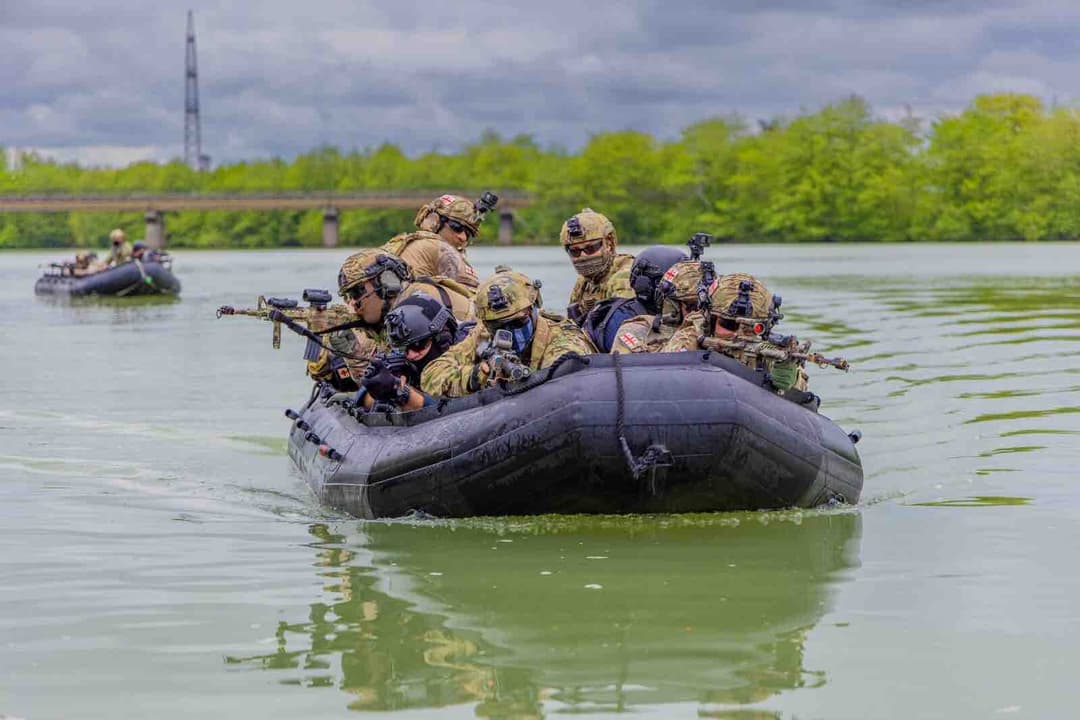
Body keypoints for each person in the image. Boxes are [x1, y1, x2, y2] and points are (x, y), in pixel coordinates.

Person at [308, 249, 474, 385]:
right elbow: (382, 377)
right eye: (348, 296)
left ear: (386, 283)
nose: (352, 303)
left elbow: (428, 379)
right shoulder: (393, 314)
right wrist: (350, 350)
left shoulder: (419, 304)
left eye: (357, 292)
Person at [422, 268, 596, 398]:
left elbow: (565, 377)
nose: (508, 331)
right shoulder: (482, 334)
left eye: (517, 322)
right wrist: (478, 375)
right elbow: (431, 376)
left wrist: (515, 379)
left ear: (533, 308)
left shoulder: (563, 336)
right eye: (497, 325)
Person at [660, 272, 809, 393]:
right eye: (729, 324)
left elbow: (801, 396)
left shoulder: (767, 350)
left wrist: (789, 377)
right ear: (710, 320)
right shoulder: (690, 337)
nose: (738, 334)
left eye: (750, 328)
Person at [355, 293, 473, 411]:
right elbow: (362, 397)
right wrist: (381, 389)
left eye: (418, 345)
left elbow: (459, 409)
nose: (410, 355)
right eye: (403, 348)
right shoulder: (402, 362)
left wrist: (402, 394)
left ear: (443, 338)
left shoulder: (472, 350)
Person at [580, 245, 688, 353]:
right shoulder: (623, 321)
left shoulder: (675, 316)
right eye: (676, 287)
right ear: (646, 286)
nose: (684, 293)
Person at [380, 194, 482, 289]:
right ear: (436, 221)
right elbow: (474, 295)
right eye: (457, 227)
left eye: (468, 234)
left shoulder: (400, 243)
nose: (463, 237)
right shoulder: (442, 250)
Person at [561, 209, 635, 325]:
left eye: (590, 248)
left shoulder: (624, 276)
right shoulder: (584, 282)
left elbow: (619, 323)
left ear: (609, 243)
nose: (583, 256)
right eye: (575, 251)